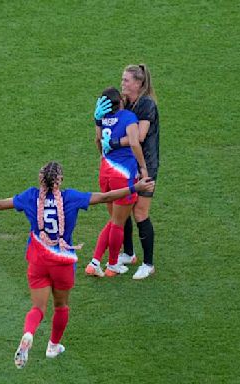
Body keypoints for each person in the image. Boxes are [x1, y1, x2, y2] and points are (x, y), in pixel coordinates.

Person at [0, 162, 154, 369]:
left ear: (40, 180)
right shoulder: (71, 198)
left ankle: (29, 333)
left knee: (38, 308)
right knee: (61, 306)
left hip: (38, 260)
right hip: (63, 262)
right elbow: (105, 197)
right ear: (59, 181)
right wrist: (135, 188)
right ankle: (53, 346)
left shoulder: (30, 197)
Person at [95, 64, 159, 280]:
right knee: (124, 206)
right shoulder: (126, 104)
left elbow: (139, 137)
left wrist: (112, 142)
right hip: (128, 165)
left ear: (138, 83)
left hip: (146, 164)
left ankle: (148, 264)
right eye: (122, 80)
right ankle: (129, 253)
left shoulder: (146, 105)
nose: (122, 83)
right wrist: (98, 122)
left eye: (126, 80)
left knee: (140, 212)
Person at [85, 87, 149, 278]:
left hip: (105, 172)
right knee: (117, 223)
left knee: (114, 220)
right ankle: (110, 265)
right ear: (120, 101)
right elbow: (135, 142)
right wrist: (143, 167)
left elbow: (98, 141)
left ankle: (98, 263)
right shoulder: (128, 117)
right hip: (122, 175)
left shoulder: (102, 120)